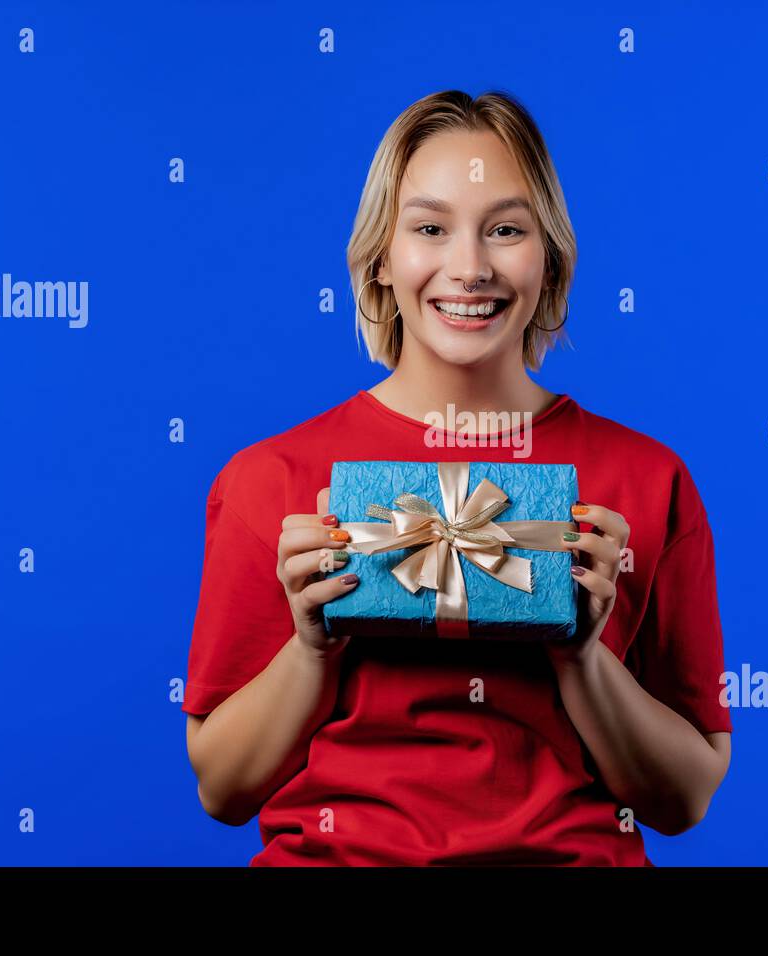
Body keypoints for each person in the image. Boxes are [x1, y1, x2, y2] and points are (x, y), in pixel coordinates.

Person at [182, 90, 732, 865]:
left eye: (506, 230)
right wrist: (311, 649)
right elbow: (222, 791)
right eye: (430, 228)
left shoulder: (648, 480)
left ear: (550, 257)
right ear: (382, 254)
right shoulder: (269, 480)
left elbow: (683, 800)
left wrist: (583, 656)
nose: (469, 268)